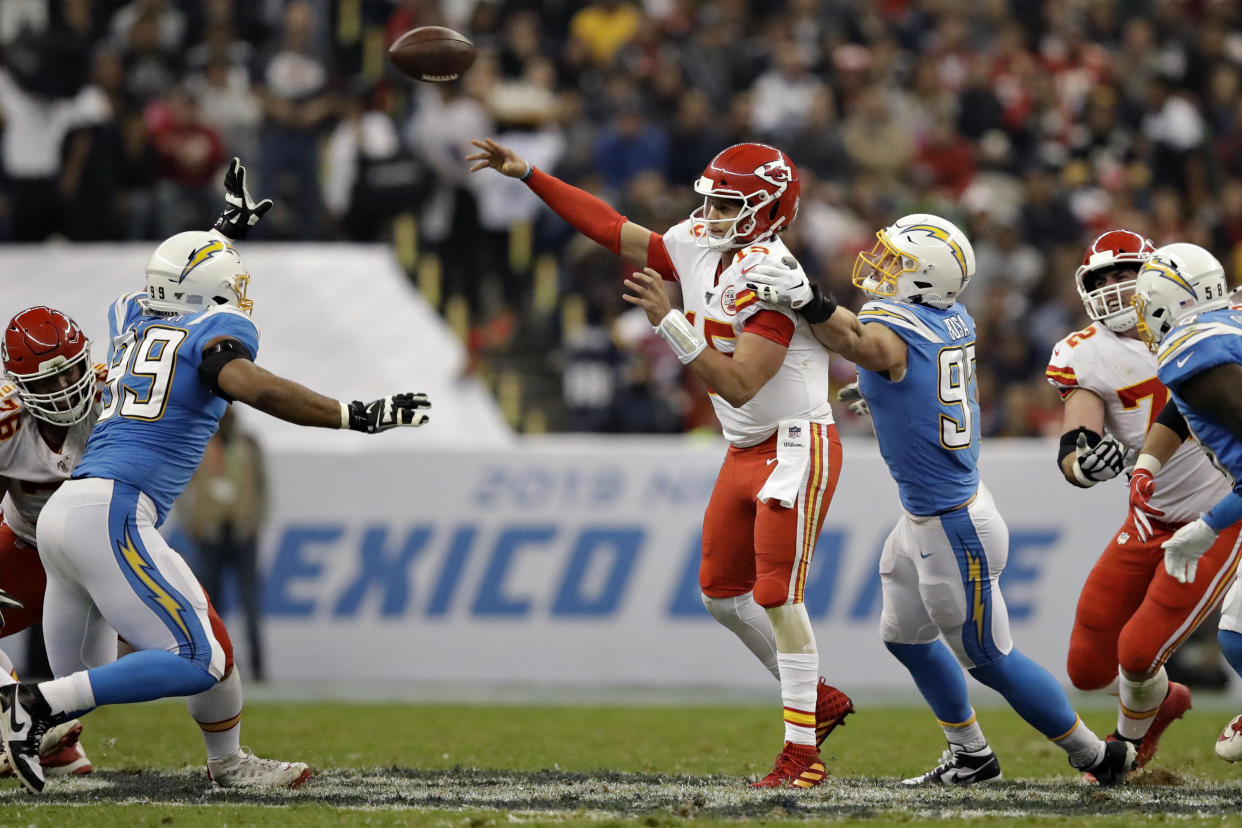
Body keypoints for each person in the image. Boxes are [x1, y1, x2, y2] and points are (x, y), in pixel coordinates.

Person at [0, 159, 433, 794]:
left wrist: (224, 230)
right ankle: (28, 706)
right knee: (199, 659)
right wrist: (353, 414)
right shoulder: (215, 332)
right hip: (111, 513)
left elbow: (175, 282)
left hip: (69, 519)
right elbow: (249, 383)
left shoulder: (130, 317)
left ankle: (222, 761)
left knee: (129, 679)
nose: (240, 294)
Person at [467, 138, 853, 788]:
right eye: (714, 199)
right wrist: (531, 175)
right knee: (721, 597)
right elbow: (611, 228)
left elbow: (737, 384)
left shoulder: (772, 276)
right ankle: (819, 700)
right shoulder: (701, 241)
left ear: (769, 209)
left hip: (794, 443)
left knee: (777, 597)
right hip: (743, 446)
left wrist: (669, 322)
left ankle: (801, 752)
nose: (712, 212)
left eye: (730, 203)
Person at [742, 213, 1138, 785]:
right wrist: (881, 394)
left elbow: (857, 340)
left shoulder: (895, 326)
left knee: (991, 659)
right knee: (903, 637)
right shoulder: (952, 317)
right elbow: (909, 371)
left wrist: (810, 300)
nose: (883, 269)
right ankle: (971, 752)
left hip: (954, 526)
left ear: (926, 279)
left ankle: (1097, 756)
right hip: (928, 517)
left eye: (898, 262)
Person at [1045, 230, 1234, 775]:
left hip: (1219, 514)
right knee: (1086, 665)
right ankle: (1161, 699)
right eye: (1101, 279)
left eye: (1124, 273)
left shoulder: (1207, 326)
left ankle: (1125, 747)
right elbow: (1075, 439)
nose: (1113, 287)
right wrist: (1082, 466)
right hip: (1147, 518)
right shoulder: (1084, 352)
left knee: (1138, 649)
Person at [1126, 242, 1242, 762]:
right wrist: (1148, 462)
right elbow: (1189, 403)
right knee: (1236, 635)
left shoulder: (1193, 350)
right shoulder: (1226, 324)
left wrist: (1210, 523)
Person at [181, 407, 269, 681]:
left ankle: (258, 669)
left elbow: (263, 487)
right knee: (211, 606)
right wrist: (193, 523)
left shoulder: (249, 444)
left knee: (250, 603)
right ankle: (218, 667)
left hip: (242, 534)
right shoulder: (200, 443)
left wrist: (255, 523)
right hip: (211, 534)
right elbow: (183, 486)